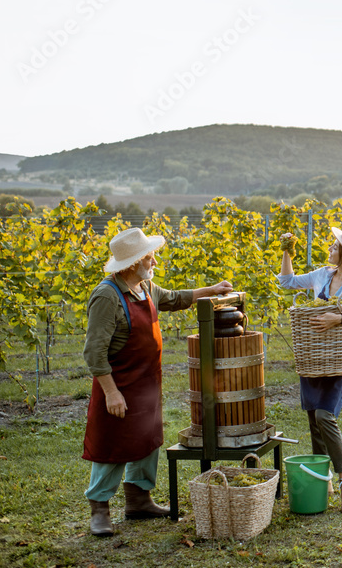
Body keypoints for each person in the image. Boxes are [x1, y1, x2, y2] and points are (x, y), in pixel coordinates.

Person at [82, 227, 232, 537]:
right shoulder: (107, 296)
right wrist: (111, 393)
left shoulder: (145, 287)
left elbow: (175, 299)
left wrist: (212, 289)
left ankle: (139, 500)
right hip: (119, 385)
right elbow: (94, 353)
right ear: (132, 263)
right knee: (113, 445)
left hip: (146, 384)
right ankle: (99, 507)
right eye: (149, 256)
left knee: (147, 441)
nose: (154, 260)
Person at [277, 225, 342, 513]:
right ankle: (324, 479)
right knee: (313, 419)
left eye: (335, 247)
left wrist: (339, 318)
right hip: (313, 358)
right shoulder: (322, 275)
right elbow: (287, 282)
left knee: (325, 416)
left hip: (337, 361)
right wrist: (287, 251)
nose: (330, 249)